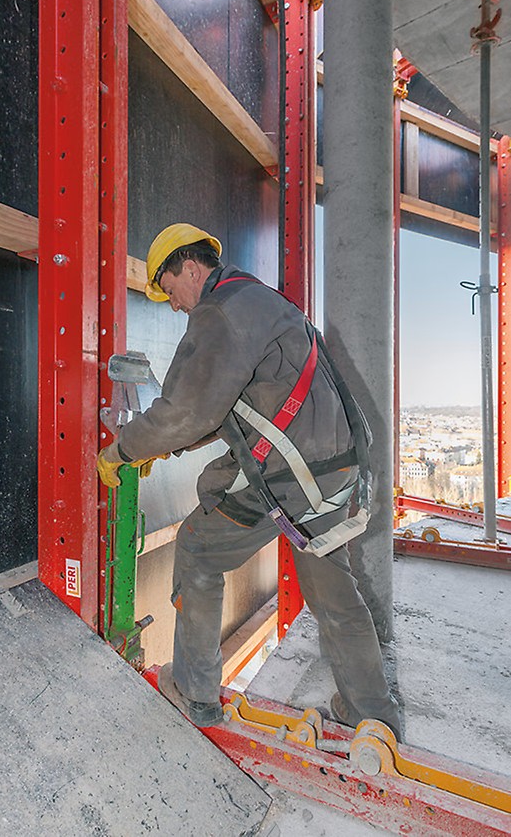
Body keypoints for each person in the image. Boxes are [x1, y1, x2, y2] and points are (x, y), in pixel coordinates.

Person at [97, 222, 401, 736]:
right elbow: (226, 410)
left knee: (196, 548)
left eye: (170, 291)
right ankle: (374, 716)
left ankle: (195, 692)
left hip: (291, 480)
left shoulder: (219, 314)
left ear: (190, 268)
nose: (172, 305)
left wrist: (123, 451)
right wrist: (167, 446)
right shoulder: (258, 300)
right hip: (332, 470)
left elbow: (188, 411)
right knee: (334, 592)